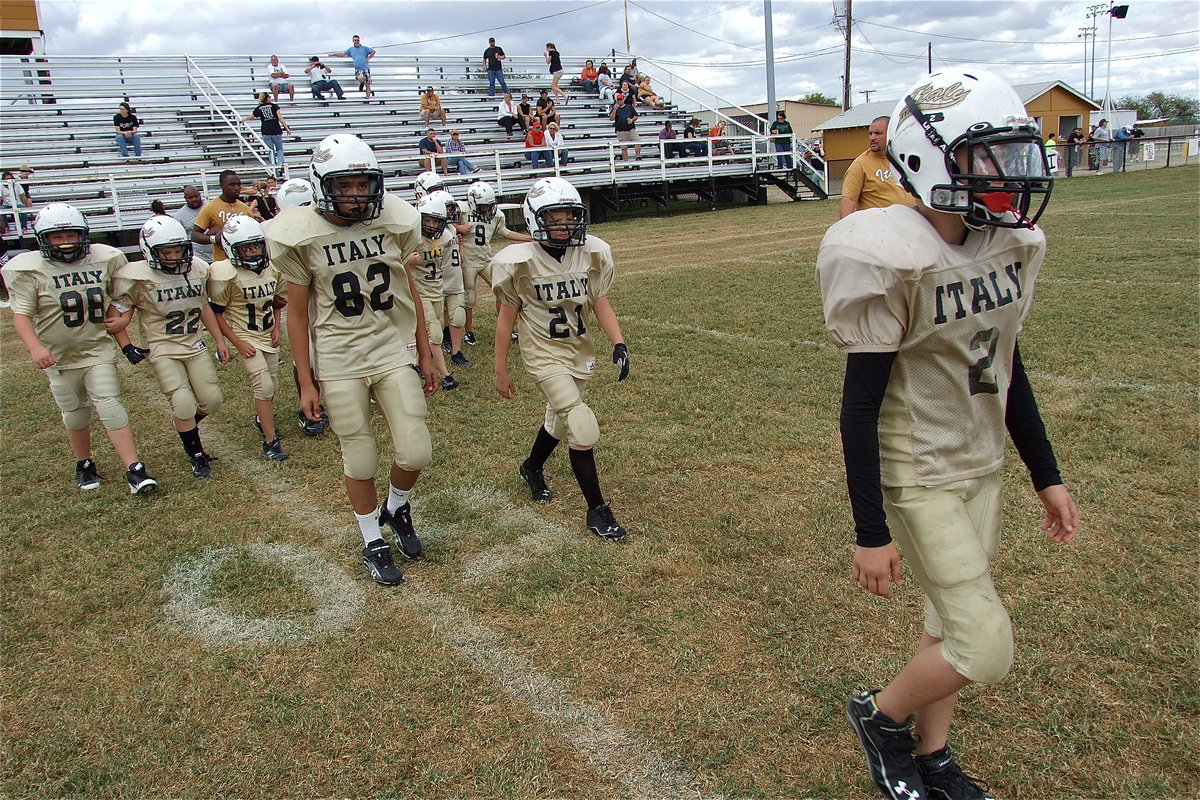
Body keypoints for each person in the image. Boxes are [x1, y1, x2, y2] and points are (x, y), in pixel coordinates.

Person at [816, 67, 1077, 800]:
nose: (1009, 173)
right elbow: (858, 405)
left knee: (946, 623)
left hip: (980, 460)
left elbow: (1006, 367)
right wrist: (870, 530)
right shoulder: (883, 252)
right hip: (920, 466)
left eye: (1014, 152)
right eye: (987, 155)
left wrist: (1045, 473)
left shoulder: (1011, 243)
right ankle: (880, 717)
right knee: (983, 643)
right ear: (929, 156)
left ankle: (933, 757)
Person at [266, 134, 437, 585]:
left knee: (417, 448)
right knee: (359, 457)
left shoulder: (395, 221)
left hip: (388, 347)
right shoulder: (299, 233)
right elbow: (298, 314)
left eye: (365, 185)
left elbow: (408, 290)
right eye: (347, 186)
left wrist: (426, 350)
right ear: (322, 185)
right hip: (339, 355)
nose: (358, 195)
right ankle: (371, 540)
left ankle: (396, 508)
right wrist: (305, 381)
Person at [492, 177, 630, 539]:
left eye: (571, 215)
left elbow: (598, 300)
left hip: (577, 349)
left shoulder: (590, 253)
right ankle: (597, 511)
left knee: (558, 421)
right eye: (556, 217)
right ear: (537, 219)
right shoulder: (518, 262)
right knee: (580, 423)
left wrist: (618, 341)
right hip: (542, 353)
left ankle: (531, 467)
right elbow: (506, 323)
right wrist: (501, 370)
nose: (566, 223)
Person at [3, 203, 157, 494]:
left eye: (71, 235)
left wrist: (123, 318)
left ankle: (135, 469)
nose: (66, 242)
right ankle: (84, 462)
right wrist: (35, 347)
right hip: (58, 355)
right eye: (57, 237)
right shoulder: (30, 269)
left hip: (96, 348)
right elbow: (21, 315)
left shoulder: (104, 258)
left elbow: (119, 298)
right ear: (43, 240)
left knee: (110, 405)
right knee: (75, 413)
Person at [108, 216, 228, 478]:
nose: (174, 257)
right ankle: (196, 453)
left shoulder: (196, 268)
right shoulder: (136, 277)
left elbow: (204, 306)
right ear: (150, 252)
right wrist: (127, 346)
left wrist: (219, 340)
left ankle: (185, 427)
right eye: (167, 252)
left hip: (194, 343)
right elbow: (117, 316)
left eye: (178, 250)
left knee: (212, 400)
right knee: (183, 403)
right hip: (161, 346)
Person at [207, 216, 288, 461]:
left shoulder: (273, 269)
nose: (253, 252)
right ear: (232, 250)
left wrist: (276, 326)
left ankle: (261, 420)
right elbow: (218, 314)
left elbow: (277, 300)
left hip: (266, 333)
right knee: (263, 385)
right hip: (244, 334)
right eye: (246, 248)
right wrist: (237, 342)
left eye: (256, 246)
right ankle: (270, 441)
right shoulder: (225, 273)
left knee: (272, 385)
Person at [454, 180, 532, 347]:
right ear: (473, 202)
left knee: (504, 289)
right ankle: (468, 332)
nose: (487, 210)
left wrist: (527, 238)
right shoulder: (461, 209)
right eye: (483, 207)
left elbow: (505, 232)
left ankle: (506, 328)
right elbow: (445, 223)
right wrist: (458, 228)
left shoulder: (497, 215)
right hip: (468, 262)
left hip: (485, 259)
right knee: (470, 298)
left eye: (489, 206)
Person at [410, 191, 461, 390]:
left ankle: (415, 364)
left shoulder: (446, 237)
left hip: (436, 289)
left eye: (436, 221)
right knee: (436, 335)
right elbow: (392, 260)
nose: (432, 226)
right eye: (428, 220)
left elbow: (448, 265)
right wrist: (407, 260)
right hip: (418, 291)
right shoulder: (411, 237)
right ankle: (445, 374)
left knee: (428, 331)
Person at [839, 116, 914, 218]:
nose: (872, 137)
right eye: (870, 133)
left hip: (909, 223)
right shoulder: (860, 165)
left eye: (878, 133)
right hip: (878, 227)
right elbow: (849, 199)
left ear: (890, 133)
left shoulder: (905, 159)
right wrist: (846, 229)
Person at [192, 170, 258, 263]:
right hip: (222, 263)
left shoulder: (245, 208)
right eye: (232, 184)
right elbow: (195, 235)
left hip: (246, 262)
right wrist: (214, 239)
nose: (237, 188)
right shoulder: (210, 208)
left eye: (239, 184)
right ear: (221, 186)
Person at [244, 93, 292, 176]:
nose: (271, 98)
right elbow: (280, 118)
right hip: (276, 130)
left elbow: (252, 116)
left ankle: (275, 170)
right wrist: (286, 128)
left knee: (271, 151)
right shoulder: (274, 106)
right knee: (279, 149)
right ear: (267, 98)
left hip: (266, 131)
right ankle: (281, 164)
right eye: (269, 96)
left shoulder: (259, 108)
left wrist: (244, 119)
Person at [170, 186, 212, 263]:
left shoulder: (211, 207)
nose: (194, 199)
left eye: (196, 196)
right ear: (185, 198)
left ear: (200, 195)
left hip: (217, 254)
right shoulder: (179, 216)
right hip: (197, 257)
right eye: (190, 198)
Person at [610, 93, 640, 161]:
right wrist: (615, 109)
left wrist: (632, 120)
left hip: (631, 129)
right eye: (618, 100)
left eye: (621, 99)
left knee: (637, 141)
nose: (619, 101)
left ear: (623, 99)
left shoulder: (629, 107)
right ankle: (625, 162)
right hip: (621, 131)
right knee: (624, 147)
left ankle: (638, 157)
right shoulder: (615, 108)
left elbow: (635, 115)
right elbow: (611, 118)